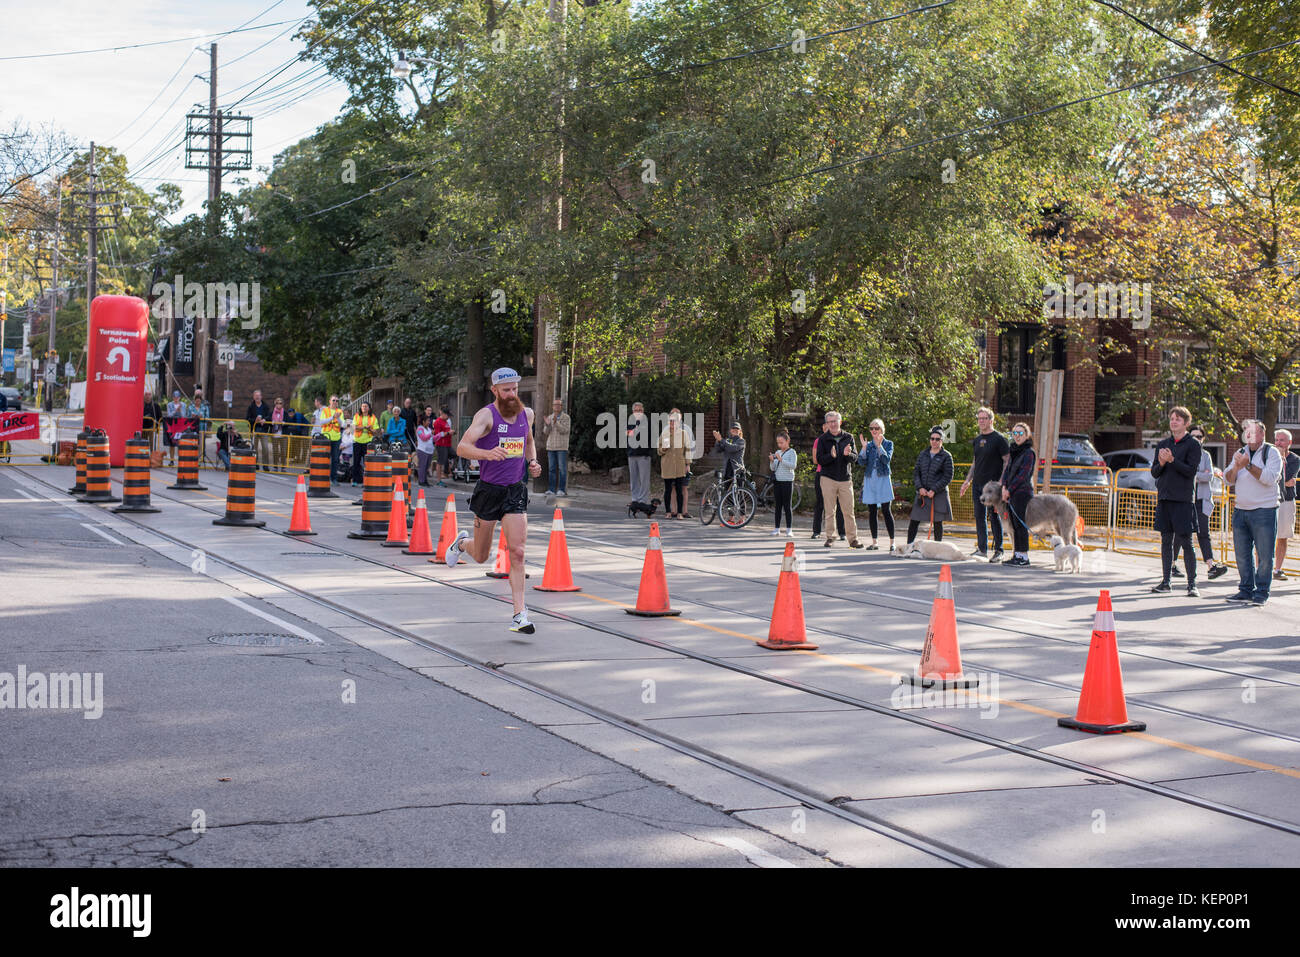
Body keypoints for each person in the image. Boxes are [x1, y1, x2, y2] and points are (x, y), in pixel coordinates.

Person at [444, 368, 544, 634]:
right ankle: (462, 543)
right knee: (481, 555)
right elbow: (462, 447)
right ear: (495, 391)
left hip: (514, 491)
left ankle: (519, 614)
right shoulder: (486, 415)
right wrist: (487, 454)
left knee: (518, 552)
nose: (512, 394)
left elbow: (529, 442)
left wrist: (532, 461)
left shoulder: (527, 414)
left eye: (515, 389)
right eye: (507, 390)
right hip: (489, 492)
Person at [1223, 419, 1282, 605]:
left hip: (1264, 511)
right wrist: (1237, 467)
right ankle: (1245, 590)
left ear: (1262, 434)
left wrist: (1248, 466)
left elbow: (1269, 479)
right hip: (1241, 510)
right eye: (1247, 432)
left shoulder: (1271, 453)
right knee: (1242, 554)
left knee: (1264, 555)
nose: (1250, 435)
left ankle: (1261, 592)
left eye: (1254, 432)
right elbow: (1228, 480)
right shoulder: (1240, 453)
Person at [1148, 406, 1202, 597]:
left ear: (1186, 423)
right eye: (1172, 419)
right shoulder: (1163, 443)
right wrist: (1162, 463)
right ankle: (1166, 581)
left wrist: (1172, 460)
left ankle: (1192, 584)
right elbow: (1154, 472)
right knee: (1165, 541)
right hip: (1164, 498)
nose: (1173, 422)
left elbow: (1190, 471)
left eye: (1178, 419)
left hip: (1183, 500)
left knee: (1186, 542)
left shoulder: (1193, 444)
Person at [959, 407, 1009, 561]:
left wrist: (1002, 482)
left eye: (984, 418)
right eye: (979, 418)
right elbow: (975, 462)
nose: (981, 421)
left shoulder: (999, 439)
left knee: (994, 518)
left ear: (991, 420)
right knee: (979, 517)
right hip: (977, 485)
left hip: (993, 488)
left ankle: (999, 550)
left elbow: (1007, 460)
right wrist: (967, 480)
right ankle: (982, 549)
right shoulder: (977, 440)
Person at [1183, 426, 1230, 581]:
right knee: (1181, 534)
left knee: (1204, 533)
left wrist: (1193, 473)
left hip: (1201, 500)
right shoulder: (1183, 453)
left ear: (1203, 439)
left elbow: (1209, 477)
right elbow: (1182, 474)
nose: (1196, 438)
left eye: (1199, 436)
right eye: (1193, 435)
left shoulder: (1205, 455)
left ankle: (1211, 566)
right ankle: (1172, 564)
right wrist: (1199, 474)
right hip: (1184, 499)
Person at [817, 411, 862, 548]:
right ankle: (830, 537)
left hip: (845, 479)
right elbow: (819, 459)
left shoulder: (849, 437)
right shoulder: (823, 439)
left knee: (849, 511)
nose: (833, 424)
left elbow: (855, 458)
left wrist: (847, 455)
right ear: (827, 424)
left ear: (840, 422)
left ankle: (853, 539)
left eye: (835, 421)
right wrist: (831, 456)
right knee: (830, 510)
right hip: (828, 478)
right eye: (830, 421)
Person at [908, 426, 954, 545]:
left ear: (941, 441)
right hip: (922, 494)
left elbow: (948, 476)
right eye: (932, 438)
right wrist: (920, 487)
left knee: (937, 522)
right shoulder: (923, 454)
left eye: (937, 439)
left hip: (938, 494)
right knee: (914, 520)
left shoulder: (946, 456)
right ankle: (909, 546)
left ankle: (937, 547)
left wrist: (934, 489)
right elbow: (916, 472)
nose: (934, 441)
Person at [1000, 424, 1036, 566]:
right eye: (1015, 432)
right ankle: (1017, 554)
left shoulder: (1029, 453)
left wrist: (1009, 489)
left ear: (1027, 435)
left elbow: (1023, 475)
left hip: (1022, 492)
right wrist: (1004, 486)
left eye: (1021, 433)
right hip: (1011, 492)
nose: (1017, 435)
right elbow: (1008, 471)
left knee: (1021, 524)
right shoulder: (1014, 451)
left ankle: (1024, 556)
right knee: (1014, 524)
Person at [857, 418, 895, 551]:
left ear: (882, 430)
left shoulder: (888, 443)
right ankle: (875, 542)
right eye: (871, 428)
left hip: (883, 478)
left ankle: (892, 543)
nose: (873, 430)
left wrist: (879, 446)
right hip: (870, 479)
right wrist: (863, 448)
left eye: (876, 428)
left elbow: (886, 460)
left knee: (886, 510)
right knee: (872, 511)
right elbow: (861, 463)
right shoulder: (868, 445)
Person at [811, 420, 845, 540]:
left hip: (838, 475)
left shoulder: (841, 439)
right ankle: (816, 531)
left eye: (832, 424)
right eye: (827, 425)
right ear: (823, 427)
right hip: (822, 473)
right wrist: (829, 456)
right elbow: (816, 460)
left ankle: (842, 532)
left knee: (840, 504)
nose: (830, 427)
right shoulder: (819, 440)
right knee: (820, 502)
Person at [1273, 429, 1298, 581]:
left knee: (1282, 537)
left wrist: (1282, 459)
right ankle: (1260, 569)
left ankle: (1278, 569)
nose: (1278, 443)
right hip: (1270, 500)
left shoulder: (1295, 459)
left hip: (1287, 501)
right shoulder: (1268, 456)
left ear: (1289, 443)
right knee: (1263, 537)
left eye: (1282, 440)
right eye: (1276, 439)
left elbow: (1287, 479)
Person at [658, 410, 691, 519]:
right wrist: (663, 449)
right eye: (670, 421)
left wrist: (688, 464)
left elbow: (688, 450)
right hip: (667, 465)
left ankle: (680, 513)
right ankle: (668, 511)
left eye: (674, 421)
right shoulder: (665, 433)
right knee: (668, 489)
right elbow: (658, 450)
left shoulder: (683, 433)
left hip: (679, 465)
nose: (672, 423)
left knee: (679, 490)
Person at [769, 430, 797, 537]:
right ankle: (777, 528)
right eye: (778, 443)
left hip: (787, 481)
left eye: (782, 442)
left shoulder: (792, 452)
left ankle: (789, 529)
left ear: (787, 441)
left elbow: (793, 466)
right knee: (778, 506)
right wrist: (772, 460)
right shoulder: (778, 452)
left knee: (787, 505)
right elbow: (773, 468)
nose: (780, 445)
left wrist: (781, 460)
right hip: (778, 481)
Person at [542, 398, 571, 496]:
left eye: (558, 405)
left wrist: (556, 422)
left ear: (561, 407)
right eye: (555, 404)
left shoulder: (566, 417)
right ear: (553, 406)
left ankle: (561, 490)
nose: (556, 406)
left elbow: (565, 430)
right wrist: (547, 424)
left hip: (562, 447)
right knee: (552, 469)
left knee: (562, 469)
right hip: (551, 446)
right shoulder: (550, 417)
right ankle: (551, 489)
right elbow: (546, 432)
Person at [626, 401, 652, 504]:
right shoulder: (629, 422)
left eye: (640, 410)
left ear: (643, 411)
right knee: (634, 478)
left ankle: (643, 500)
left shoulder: (648, 422)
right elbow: (628, 434)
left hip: (644, 455)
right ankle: (635, 499)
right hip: (632, 454)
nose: (638, 412)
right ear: (633, 412)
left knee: (644, 479)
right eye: (636, 410)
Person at [351, 401, 378, 485]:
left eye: (366, 406)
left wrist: (370, 429)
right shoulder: (356, 416)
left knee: (367, 462)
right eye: (363, 406)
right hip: (357, 441)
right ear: (361, 408)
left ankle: (367, 481)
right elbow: (354, 428)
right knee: (356, 462)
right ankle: (355, 480)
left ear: (369, 408)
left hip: (368, 442)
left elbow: (375, 431)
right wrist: (364, 427)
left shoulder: (373, 417)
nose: (364, 408)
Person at [320, 395, 344, 482]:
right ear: (330, 401)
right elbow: (321, 422)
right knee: (325, 458)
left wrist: (338, 418)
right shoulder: (325, 410)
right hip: (326, 437)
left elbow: (342, 425)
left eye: (337, 401)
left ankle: (333, 478)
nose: (335, 402)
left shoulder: (340, 411)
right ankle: (324, 477)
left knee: (335, 459)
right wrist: (332, 417)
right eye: (333, 400)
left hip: (336, 438)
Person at [246, 389, 272, 469]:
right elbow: (247, 419)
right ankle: (255, 464)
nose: (257, 397)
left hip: (263, 430)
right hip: (254, 430)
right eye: (256, 396)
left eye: (259, 395)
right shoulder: (250, 407)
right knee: (254, 449)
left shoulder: (266, 406)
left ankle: (265, 465)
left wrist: (265, 420)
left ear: (261, 397)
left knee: (265, 449)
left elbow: (269, 416)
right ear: (253, 397)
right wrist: (255, 420)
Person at [433, 407, 455, 486]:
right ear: (443, 414)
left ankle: (449, 471)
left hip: (448, 444)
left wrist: (451, 432)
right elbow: (438, 435)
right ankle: (439, 481)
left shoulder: (446, 421)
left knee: (455, 455)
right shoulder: (437, 422)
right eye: (448, 415)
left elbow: (446, 431)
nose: (449, 417)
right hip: (441, 445)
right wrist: (448, 433)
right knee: (440, 462)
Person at [416, 413, 436, 486]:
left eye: (429, 421)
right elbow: (423, 438)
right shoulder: (419, 429)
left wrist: (442, 434)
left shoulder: (429, 429)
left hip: (429, 451)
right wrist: (431, 434)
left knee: (426, 467)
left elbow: (433, 438)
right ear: (423, 421)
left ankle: (425, 481)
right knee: (422, 466)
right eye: (427, 421)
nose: (429, 422)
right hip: (422, 450)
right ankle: (421, 481)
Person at [270, 397, 287, 472]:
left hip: (282, 434)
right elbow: (268, 420)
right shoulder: (272, 412)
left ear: (282, 404)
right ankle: (275, 466)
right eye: (277, 403)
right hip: (275, 434)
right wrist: (272, 422)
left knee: (283, 451)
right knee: (275, 451)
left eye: (280, 403)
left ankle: (283, 467)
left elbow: (288, 421)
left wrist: (284, 423)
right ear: (275, 404)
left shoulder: (285, 413)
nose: (278, 405)